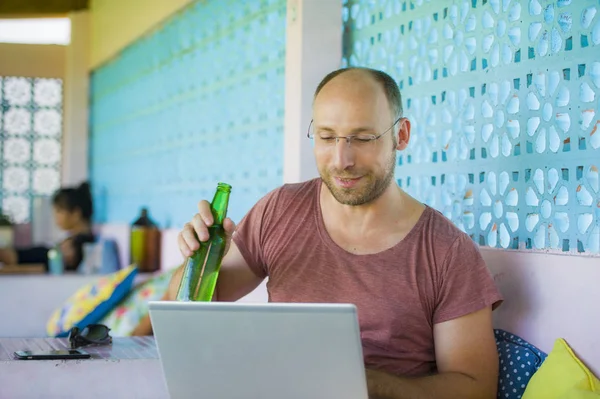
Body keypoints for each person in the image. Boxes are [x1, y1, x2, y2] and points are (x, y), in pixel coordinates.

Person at [140, 67, 504, 398]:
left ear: (401, 135)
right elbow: (185, 311)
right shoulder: (280, 209)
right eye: (327, 137)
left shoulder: (446, 250)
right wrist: (198, 258)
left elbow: (476, 387)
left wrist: (362, 383)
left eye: (362, 138)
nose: (341, 160)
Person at [0, 182, 96, 271]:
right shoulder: (75, 241)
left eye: (59, 211)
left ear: (76, 213)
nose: (55, 216)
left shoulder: (77, 247)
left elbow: (46, 267)